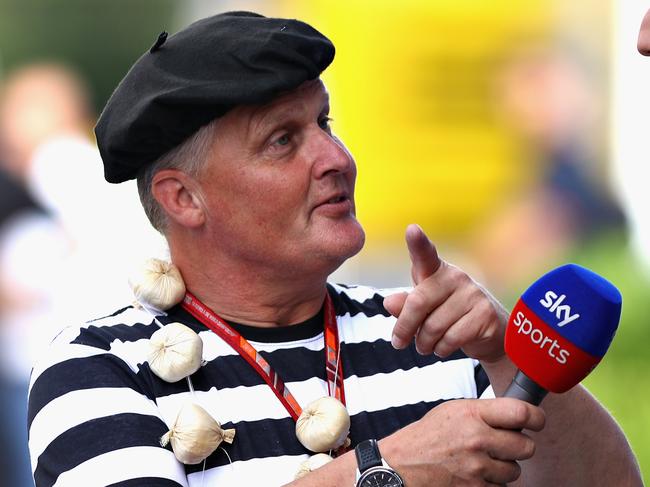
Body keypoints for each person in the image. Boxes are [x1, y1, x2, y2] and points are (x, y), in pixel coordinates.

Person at [27, 11, 642, 487]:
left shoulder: (426, 333)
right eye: (281, 140)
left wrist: (505, 357)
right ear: (184, 199)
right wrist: (385, 470)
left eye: (324, 124)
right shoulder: (97, 365)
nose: (337, 160)